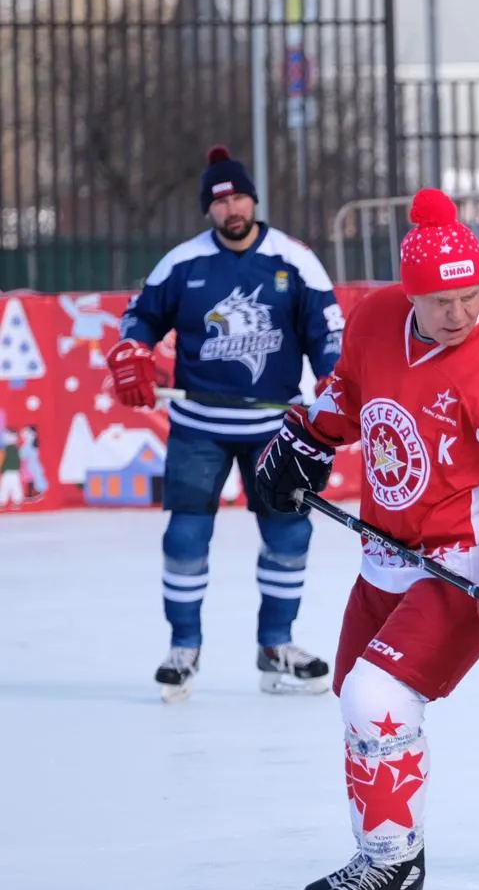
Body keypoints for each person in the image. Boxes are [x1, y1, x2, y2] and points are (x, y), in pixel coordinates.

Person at [252, 188, 479, 890]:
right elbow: (347, 394)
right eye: (441, 300)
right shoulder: (372, 319)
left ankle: (392, 871)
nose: (459, 313)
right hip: (387, 549)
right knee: (355, 698)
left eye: (471, 295)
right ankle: (389, 860)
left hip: (468, 559)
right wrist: (302, 442)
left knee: (376, 697)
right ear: (411, 293)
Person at [108, 145, 343, 702]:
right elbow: (138, 317)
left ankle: (275, 645)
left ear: (253, 200)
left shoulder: (294, 260)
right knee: (185, 537)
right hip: (199, 427)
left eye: (238, 196)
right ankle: (183, 646)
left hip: (274, 428)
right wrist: (132, 352)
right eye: (220, 202)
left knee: (289, 534)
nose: (231, 208)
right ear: (207, 210)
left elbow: (328, 333)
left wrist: (335, 381)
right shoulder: (183, 263)